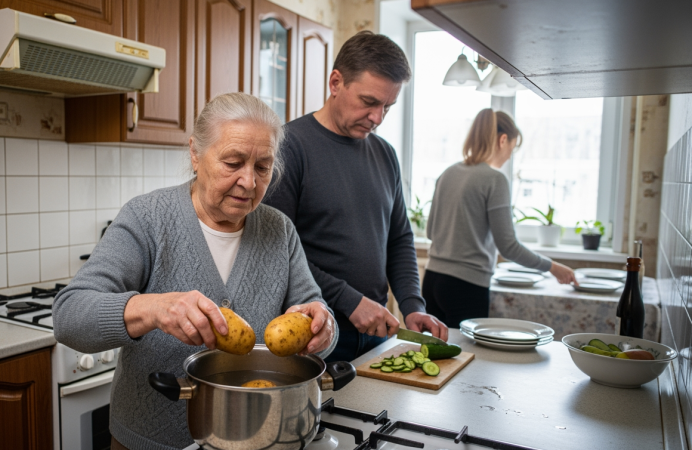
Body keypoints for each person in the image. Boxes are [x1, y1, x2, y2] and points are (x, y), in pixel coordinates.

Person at [53, 92, 338, 450]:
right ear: (195, 154)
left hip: (255, 439)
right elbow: (69, 316)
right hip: (150, 441)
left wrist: (323, 324)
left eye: (262, 167)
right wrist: (153, 308)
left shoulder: (279, 230)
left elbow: (315, 313)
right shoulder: (146, 219)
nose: (249, 182)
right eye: (233, 162)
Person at [263, 31, 448, 363]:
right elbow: (275, 251)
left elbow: (399, 239)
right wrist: (348, 301)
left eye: (387, 107)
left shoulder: (386, 154)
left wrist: (412, 305)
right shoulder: (288, 147)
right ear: (336, 82)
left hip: (376, 332)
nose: (377, 118)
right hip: (314, 334)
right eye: (369, 102)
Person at [424, 108, 577, 327]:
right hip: (465, 286)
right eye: (512, 149)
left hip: (432, 280)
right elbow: (508, 247)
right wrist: (552, 267)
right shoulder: (495, 180)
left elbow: (431, 231)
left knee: (434, 348)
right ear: (502, 140)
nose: (509, 156)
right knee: (466, 349)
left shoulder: (448, 173)